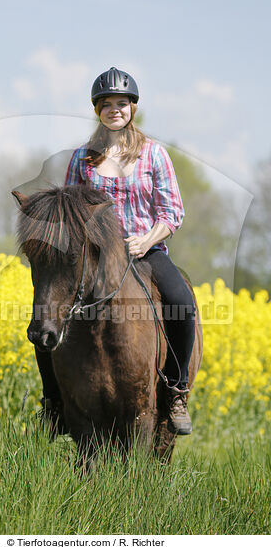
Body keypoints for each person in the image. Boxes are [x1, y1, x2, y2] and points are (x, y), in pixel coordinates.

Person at [36, 66, 196, 436]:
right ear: (98, 110)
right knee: (46, 311)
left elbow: (173, 212)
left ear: (132, 108)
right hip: (93, 257)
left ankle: (175, 393)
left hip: (145, 251)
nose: (115, 110)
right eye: (106, 104)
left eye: (121, 103)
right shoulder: (82, 158)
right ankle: (54, 401)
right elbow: (68, 209)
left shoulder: (154, 155)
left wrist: (146, 240)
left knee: (181, 301)